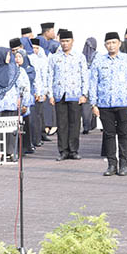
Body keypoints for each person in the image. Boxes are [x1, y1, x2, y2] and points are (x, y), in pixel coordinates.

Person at [90, 32, 127, 176]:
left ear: (119, 43)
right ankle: (112, 164)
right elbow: (93, 82)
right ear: (105, 45)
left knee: (124, 133)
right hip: (105, 103)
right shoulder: (98, 61)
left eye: (114, 42)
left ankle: (124, 164)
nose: (111, 45)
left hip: (124, 102)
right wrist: (93, 103)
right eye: (108, 43)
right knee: (108, 134)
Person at [48, 29, 89, 161]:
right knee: (62, 123)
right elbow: (50, 76)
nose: (65, 44)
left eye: (67, 41)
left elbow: (85, 76)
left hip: (75, 94)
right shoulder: (54, 58)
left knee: (75, 123)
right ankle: (63, 150)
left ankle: (73, 150)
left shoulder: (79, 57)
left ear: (72, 41)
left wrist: (84, 93)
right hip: (60, 94)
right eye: (62, 41)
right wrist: (50, 94)